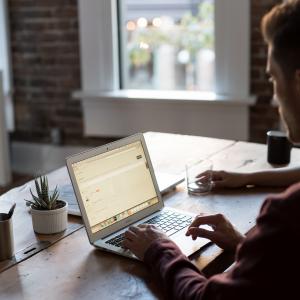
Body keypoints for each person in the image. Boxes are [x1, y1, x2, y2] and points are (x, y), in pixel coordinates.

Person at [123, 1, 300, 299]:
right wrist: (245, 244)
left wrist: (160, 249)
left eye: (273, 78)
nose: (274, 99)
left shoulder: (287, 215)